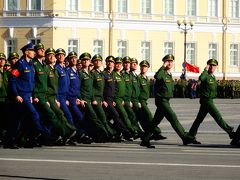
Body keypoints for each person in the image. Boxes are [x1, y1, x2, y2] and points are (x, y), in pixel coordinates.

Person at [140, 54, 194, 148]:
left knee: (155, 122)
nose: (169, 63)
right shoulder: (162, 73)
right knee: (173, 117)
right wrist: (162, 67)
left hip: (166, 100)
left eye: (171, 61)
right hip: (161, 100)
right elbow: (157, 76)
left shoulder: (169, 74)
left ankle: (145, 139)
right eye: (167, 61)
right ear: (164, 62)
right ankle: (184, 137)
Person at [4, 43, 49, 148]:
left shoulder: (31, 64)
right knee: (34, 115)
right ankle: (45, 134)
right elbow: (12, 80)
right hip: (22, 95)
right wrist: (16, 95)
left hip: (28, 95)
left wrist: (32, 95)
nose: (34, 52)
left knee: (20, 119)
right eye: (32, 50)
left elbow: (32, 82)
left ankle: (19, 140)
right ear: (26, 52)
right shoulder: (20, 64)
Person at [186, 59, 235, 145]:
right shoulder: (206, 76)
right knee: (218, 117)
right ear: (208, 66)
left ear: (216, 67)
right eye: (210, 65)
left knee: (198, 120)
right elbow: (201, 78)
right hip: (207, 101)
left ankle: (190, 136)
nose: (212, 67)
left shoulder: (213, 77)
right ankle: (230, 132)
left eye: (214, 65)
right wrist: (205, 70)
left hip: (209, 100)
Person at [45, 48, 76, 144]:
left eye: (62, 55)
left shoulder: (63, 68)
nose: (60, 56)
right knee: (64, 116)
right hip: (58, 97)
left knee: (57, 117)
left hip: (64, 96)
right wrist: (57, 98)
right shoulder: (56, 68)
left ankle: (58, 136)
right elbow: (54, 85)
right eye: (58, 55)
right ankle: (69, 133)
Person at [78, 52, 109, 141]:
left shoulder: (90, 74)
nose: (85, 61)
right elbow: (78, 88)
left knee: (91, 118)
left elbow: (92, 89)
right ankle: (105, 134)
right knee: (93, 117)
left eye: (87, 60)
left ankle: (97, 135)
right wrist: (80, 99)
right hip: (84, 99)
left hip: (90, 99)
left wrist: (93, 99)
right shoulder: (80, 73)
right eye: (84, 60)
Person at [102, 56, 133, 141]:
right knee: (116, 115)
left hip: (113, 99)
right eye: (108, 62)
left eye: (112, 62)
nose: (110, 63)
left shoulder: (113, 74)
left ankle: (115, 134)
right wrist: (103, 100)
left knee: (108, 118)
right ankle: (126, 133)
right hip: (107, 99)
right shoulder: (104, 74)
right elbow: (101, 89)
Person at [91, 54, 116, 140]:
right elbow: (91, 88)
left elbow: (102, 89)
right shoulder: (92, 73)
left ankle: (106, 134)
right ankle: (108, 134)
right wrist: (94, 99)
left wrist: (102, 100)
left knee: (103, 117)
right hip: (95, 99)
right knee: (101, 118)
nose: (98, 62)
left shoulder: (101, 74)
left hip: (100, 99)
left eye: (99, 61)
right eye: (96, 61)